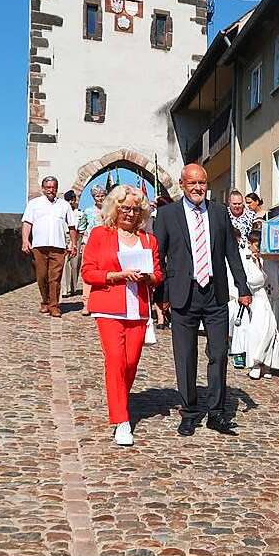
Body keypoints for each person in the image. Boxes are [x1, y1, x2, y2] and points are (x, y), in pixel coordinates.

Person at [154, 164, 251, 436]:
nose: (198, 188)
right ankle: (189, 411)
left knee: (219, 353)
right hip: (184, 292)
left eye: (202, 183)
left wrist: (243, 287)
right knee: (185, 355)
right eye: (192, 183)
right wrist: (160, 296)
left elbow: (232, 252)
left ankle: (216, 412)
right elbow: (158, 257)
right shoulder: (167, 214)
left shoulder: (219, 212)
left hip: (215, 292)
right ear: (182, 185)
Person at [80, 185, 163, 447]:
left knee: (130, 363)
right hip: (108, 307)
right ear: (114, 208)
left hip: (137, 309)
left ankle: (119, 400)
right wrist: (117, 275)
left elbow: (158, 274)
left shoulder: (148, 240)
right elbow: (88, 272)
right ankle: (121, 420)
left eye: (135, 209)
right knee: (115, 361)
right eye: (124, 208)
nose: (129, 213)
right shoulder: (99, 234)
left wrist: (149, 277)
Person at [21, 176, 78, 317]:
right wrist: (25, 240)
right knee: (41, 276)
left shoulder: (64, 205)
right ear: (43, 189)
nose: (50, 190)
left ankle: (54, 305)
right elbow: (27, 223)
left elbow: (71, 226)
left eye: (53, 187)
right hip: (39, 246)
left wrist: (73, 243)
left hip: (58, 246)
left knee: (55, 277)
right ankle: (45, 302)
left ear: (57, 189)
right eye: (48, 187)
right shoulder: (34, 204)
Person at [232, 230, 279, 380]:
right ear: (250, 243)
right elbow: (252, 280)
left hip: (265, 298)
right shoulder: (245, 257)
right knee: (257, 331)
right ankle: (255, 363)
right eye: (256, 245)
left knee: (271, 329)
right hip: (254, 298)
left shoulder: (261, 258)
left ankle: (267, 363)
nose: (258, 248)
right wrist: (257, 267)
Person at [79, 184, 106, 315]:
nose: (99, 198)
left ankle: (102, 301)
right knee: (88, 273)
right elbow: (82, 227)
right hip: (90, 244)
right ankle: (86, 302)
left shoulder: (110, 211)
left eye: (102, 195)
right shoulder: (87, 212)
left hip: (106, 245)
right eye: (97, 196)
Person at [63, 190, 83, 297]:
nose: (71, 202)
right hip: (65, 236)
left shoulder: (80, 213)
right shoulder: (62, 212)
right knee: (65, 262)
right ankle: (65, 290)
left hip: (77, 236)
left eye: (72, 200)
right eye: (69, 200)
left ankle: (73, 287)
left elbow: (82, 226)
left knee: (75, 263)